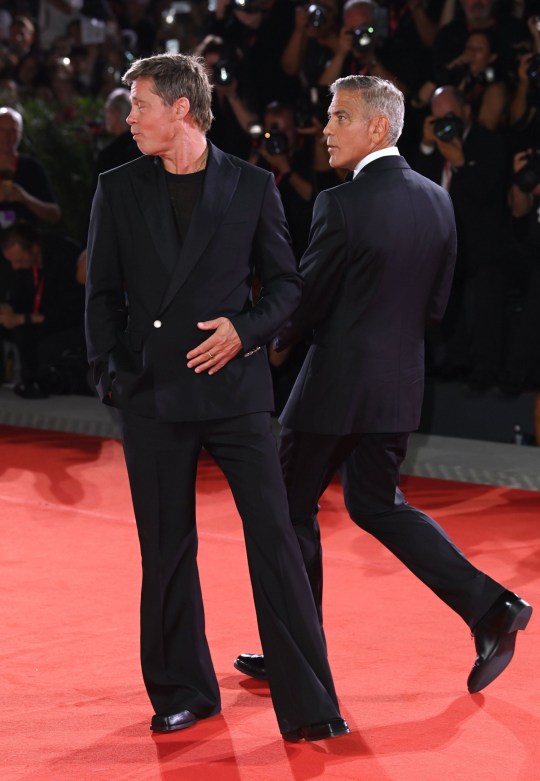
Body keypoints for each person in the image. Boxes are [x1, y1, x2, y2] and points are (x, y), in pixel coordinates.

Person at [234, 75, 532, 695]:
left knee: (285, 509)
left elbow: (307, 298)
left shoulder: (339, 203)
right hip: (400, 384)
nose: (327, 129)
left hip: (333, 388)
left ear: (377, 126)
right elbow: (435, 307)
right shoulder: (436, 200)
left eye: (340, 116)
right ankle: (491, 607)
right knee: (377, 505)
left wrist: (260, 338)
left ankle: (297, 649)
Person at [84, 52, 349, 742]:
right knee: (165, 550)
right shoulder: (118, 186)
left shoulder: (253, 186)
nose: (129, 116)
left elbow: (287, 288)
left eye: (139, 104)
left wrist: (245, 330)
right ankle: (184, 690)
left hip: (235, 392)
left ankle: (310, 700)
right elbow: (102, 296)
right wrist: (113, 376)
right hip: (154, 394)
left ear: (181, 109)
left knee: (275, 543)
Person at [413, 85, 509, 389]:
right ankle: (443, 363)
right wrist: (428, 148)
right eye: (437, 117)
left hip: (481, 243)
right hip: (440, 244)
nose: (444, 124)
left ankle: (483, 368)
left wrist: (460, 164)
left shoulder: (489, 143)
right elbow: (412, 186)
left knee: (482, 293)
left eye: (450, 116)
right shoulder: (429, 147)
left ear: (467, 111)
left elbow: (489, 193)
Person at [0, 220, 85, 398]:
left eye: (20, 260)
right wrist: (7, 308)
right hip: (38, 318)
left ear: (35, 249)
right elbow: (17, 295)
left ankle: (44, 383)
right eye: (11, 262)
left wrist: (25, 318)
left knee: (43, 345)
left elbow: (70, 311)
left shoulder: (63, 258)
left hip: (72, 322)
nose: (15, 266)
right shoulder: (21, 267)